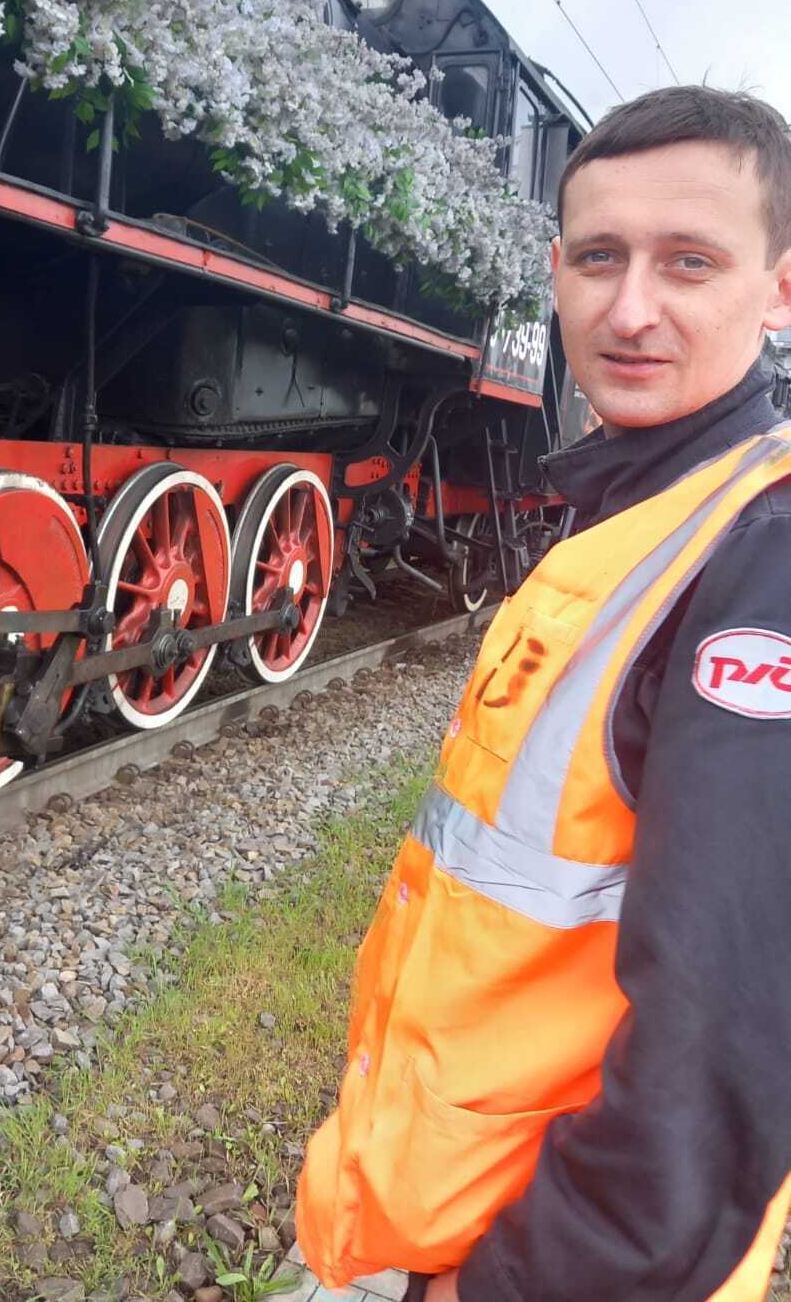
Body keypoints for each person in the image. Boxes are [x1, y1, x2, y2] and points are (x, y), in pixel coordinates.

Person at [296, 85, 791, 1302]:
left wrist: (515, 1283)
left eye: (689, 261)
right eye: (599, 257)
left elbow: (727, 1045)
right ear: (556, 271)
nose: (631, 309)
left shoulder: (762, 561)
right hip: (466, 1201)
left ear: (780, 288)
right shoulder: (645, 506)